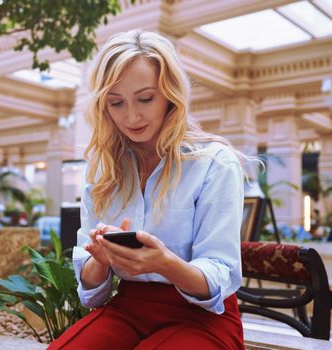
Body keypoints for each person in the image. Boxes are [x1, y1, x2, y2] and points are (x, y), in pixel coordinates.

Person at [48, 30, 247, 350]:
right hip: (129, 308)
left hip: (204, 316)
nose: (132, 116)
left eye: (145, 98)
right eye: (116, 103)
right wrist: (100, 260)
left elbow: (220, 275)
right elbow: (92, 295)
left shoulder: (214, 163)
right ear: (104, 106)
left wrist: (164, 262)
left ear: (170, 94)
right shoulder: (102, 171)